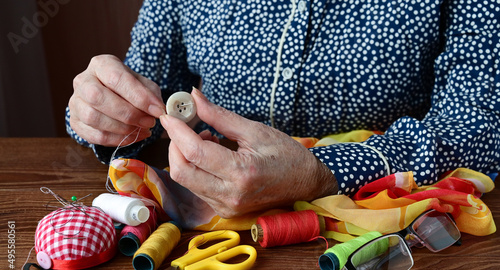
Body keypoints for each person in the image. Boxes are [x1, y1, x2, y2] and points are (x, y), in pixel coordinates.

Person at [67, 0, 500, 219]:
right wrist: (101, 111)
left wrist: (322, 172)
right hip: (210, 220)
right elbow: (142, 87)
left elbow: (480, 123)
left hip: (383, 222)